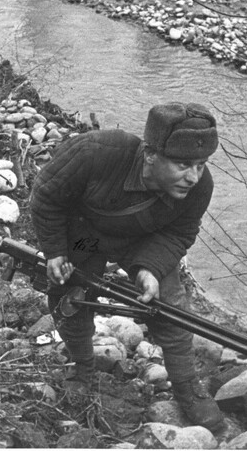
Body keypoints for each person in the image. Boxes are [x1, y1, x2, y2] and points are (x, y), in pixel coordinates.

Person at [29, 101, 225, 431]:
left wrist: (148, 268)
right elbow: (46, 197)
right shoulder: (96, 152)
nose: (193, 176)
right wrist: (55, 252)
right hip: (85, 235)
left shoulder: (200, 188)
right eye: (182, 164)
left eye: (201, 165)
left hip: (143, 240)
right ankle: (83, 366)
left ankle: (187, 388)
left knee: (173, 306)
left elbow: (180, 232)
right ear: (150, 154)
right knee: (69, 295)